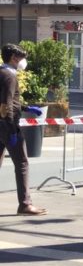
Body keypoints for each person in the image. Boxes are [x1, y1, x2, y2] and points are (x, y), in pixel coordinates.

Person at [0, 44, 47, 216]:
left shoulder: (1, 72)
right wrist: (12, 131)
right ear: (13, 58)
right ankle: (25, 204)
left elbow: (8, 101)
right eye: (20, 58)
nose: (22, 62)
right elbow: (6, 105)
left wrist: (25, 107)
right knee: (22, 164)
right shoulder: (10, 76)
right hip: (7, 126)